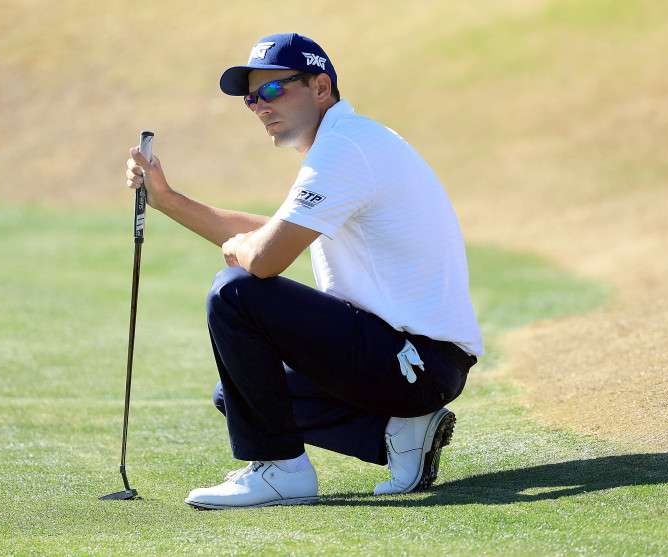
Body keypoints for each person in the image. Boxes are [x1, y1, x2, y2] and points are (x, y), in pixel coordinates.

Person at [125, 33, 483, 510]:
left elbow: (265, 259)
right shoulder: (350, 141)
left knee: (235, 292)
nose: (259, 105)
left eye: (273, 90)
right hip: (414, 362)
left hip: (416, 361)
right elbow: (274, 233)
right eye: (251, 98)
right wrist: (167, 200)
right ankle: (397, 432)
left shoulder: (344, 148)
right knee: (239, 395)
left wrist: (240, 250)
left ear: (320, 87)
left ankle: (281, 471)